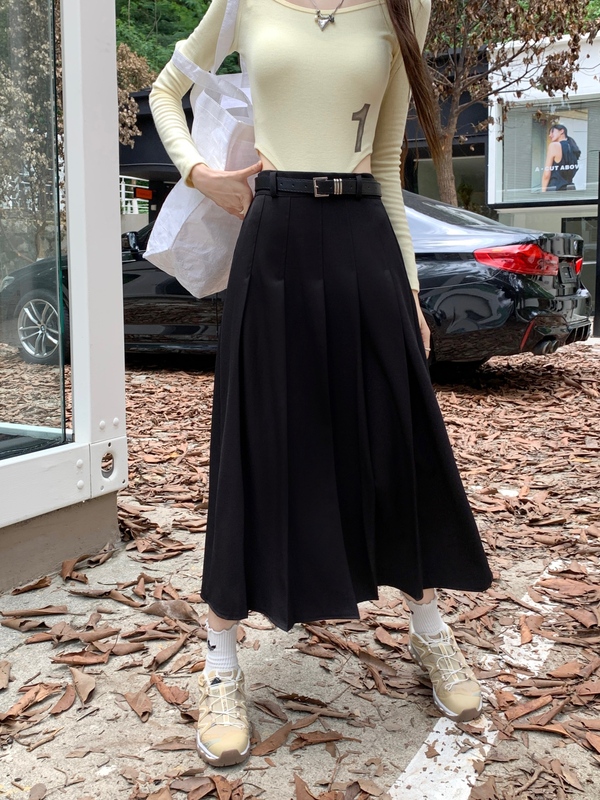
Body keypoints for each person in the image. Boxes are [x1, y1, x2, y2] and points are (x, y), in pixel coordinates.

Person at [149, 0, 493, 768]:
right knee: (258, 443)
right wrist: (201, 174)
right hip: (273, 239)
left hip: (364, 240)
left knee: (396, 437)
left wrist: (410, 291)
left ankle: (429, 630)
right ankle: (220, 661)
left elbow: (384, 162)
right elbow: (167, 90)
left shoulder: (404, 5)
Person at [541, 123, 581, 192]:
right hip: (570, 189)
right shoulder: (573, 149)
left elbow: (546, 174)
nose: (550, 135)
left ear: (562, 131)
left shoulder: (554, 146)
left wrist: (543, 191)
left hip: (555, 189)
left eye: (552, 131)